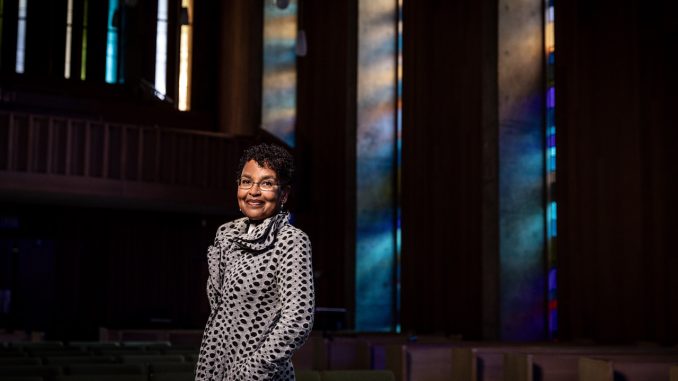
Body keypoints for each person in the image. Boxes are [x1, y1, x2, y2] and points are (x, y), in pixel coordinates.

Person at [195, 143, 315, 381]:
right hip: (215, 366)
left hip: (260, 375)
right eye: (246, 181)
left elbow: (298, 319)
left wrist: (249, 372)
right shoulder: (226, 234)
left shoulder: (291, 240)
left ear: (284, 194)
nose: (254, 191)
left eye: (267, 183)